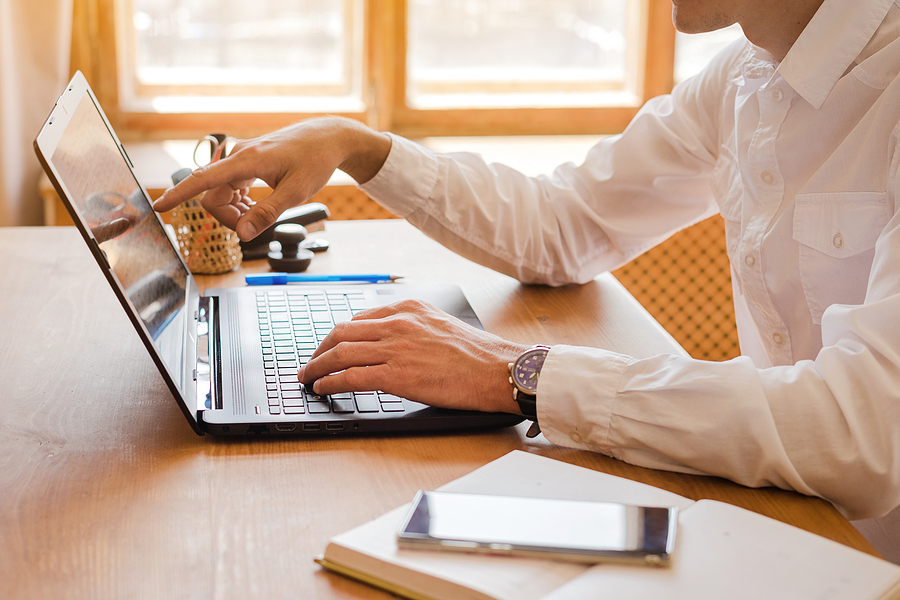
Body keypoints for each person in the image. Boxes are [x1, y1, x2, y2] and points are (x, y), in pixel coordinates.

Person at [154, 0, 900, 561]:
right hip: (778, 524)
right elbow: (566, 224)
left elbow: (863, 431)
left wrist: (521, 374)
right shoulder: (745, 74)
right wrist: (357, 145)